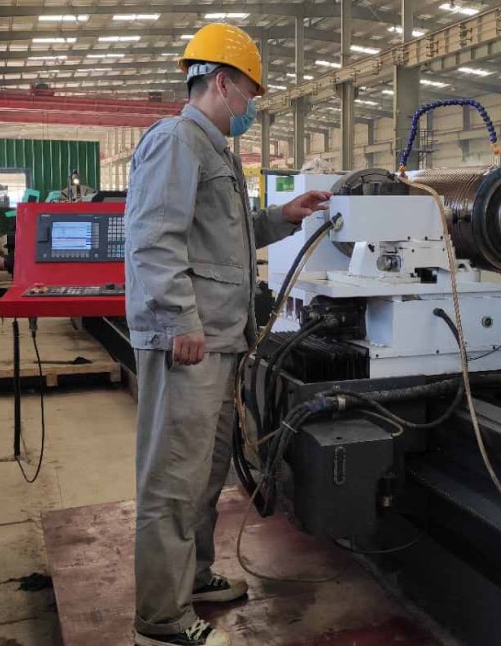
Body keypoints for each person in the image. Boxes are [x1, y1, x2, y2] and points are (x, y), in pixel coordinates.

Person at [124, 22, 332, 646]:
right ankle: (159, 619)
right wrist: (179, 318)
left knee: (207, 472)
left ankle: (197, 576)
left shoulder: (213, 149)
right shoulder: (176, 142)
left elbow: (221, 235)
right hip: (188, 341)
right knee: (172, 480)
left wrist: (282, 217)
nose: (251, 107)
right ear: (221, 82)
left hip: (220, 341)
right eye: (250, 93)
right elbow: (154, 239)